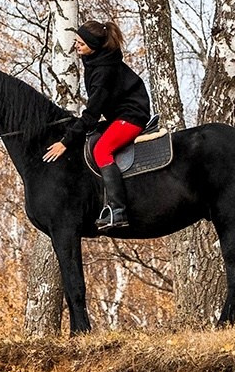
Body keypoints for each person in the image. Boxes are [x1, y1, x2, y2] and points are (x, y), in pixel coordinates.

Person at [42, 20, 152, 231]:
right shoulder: (95, 60)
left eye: (81, 44)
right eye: (76, 41)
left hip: (131, 116)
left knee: (102, 150)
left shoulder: (103, 71)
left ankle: (117, 210)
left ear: (93, 46)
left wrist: (65, 143)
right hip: (118, 114)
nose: (77, 46)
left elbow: (92, 113)